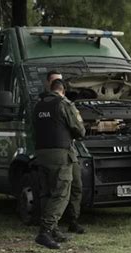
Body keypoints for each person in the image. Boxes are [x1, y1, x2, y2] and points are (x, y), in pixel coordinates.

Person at [33, 79, 86, 249]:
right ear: (63, 91)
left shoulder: (38, 105)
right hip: (60, 154)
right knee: (61, 194)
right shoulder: (64, 104)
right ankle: (45, 232)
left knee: (47, 193)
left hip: (41, 153)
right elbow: (79, 129)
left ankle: (54, 229)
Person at [45, 70, 86, 234]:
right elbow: (78, 129)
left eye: (60, 81)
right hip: (56, 151)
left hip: (69, 150)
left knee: (76, 185)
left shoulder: (67, 104)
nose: (59, 83)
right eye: (55, 81)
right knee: (56, 189)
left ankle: (73, 220)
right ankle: (51, 225)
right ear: (48, 83)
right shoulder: (47, 103)